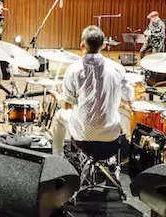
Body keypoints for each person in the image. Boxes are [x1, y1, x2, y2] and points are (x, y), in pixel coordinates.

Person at [50, 26, 134, 157]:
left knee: (59, 115)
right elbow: (129, 99)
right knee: (122, 114)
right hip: (111, 137)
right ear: (104, 45)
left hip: (83, 136)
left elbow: (66, 105)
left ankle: (57, 157)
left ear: (82, 46)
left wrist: (57, 97)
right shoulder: (117, 68)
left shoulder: (73, 70)